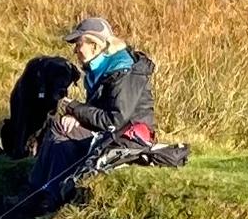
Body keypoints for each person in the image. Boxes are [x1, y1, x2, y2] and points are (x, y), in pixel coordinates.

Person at [27, 15, 154, 196]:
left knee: (59, 132)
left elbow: (114, 119)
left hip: (127, 135)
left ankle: (44, 195)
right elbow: (98, 108)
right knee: (60, 128)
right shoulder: (100, 69)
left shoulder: (123, 71)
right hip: (110, 130)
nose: (76, 51)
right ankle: (43, 193)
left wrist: (75, 108)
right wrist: (76, 116)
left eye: (79, 44)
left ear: (94, 45)